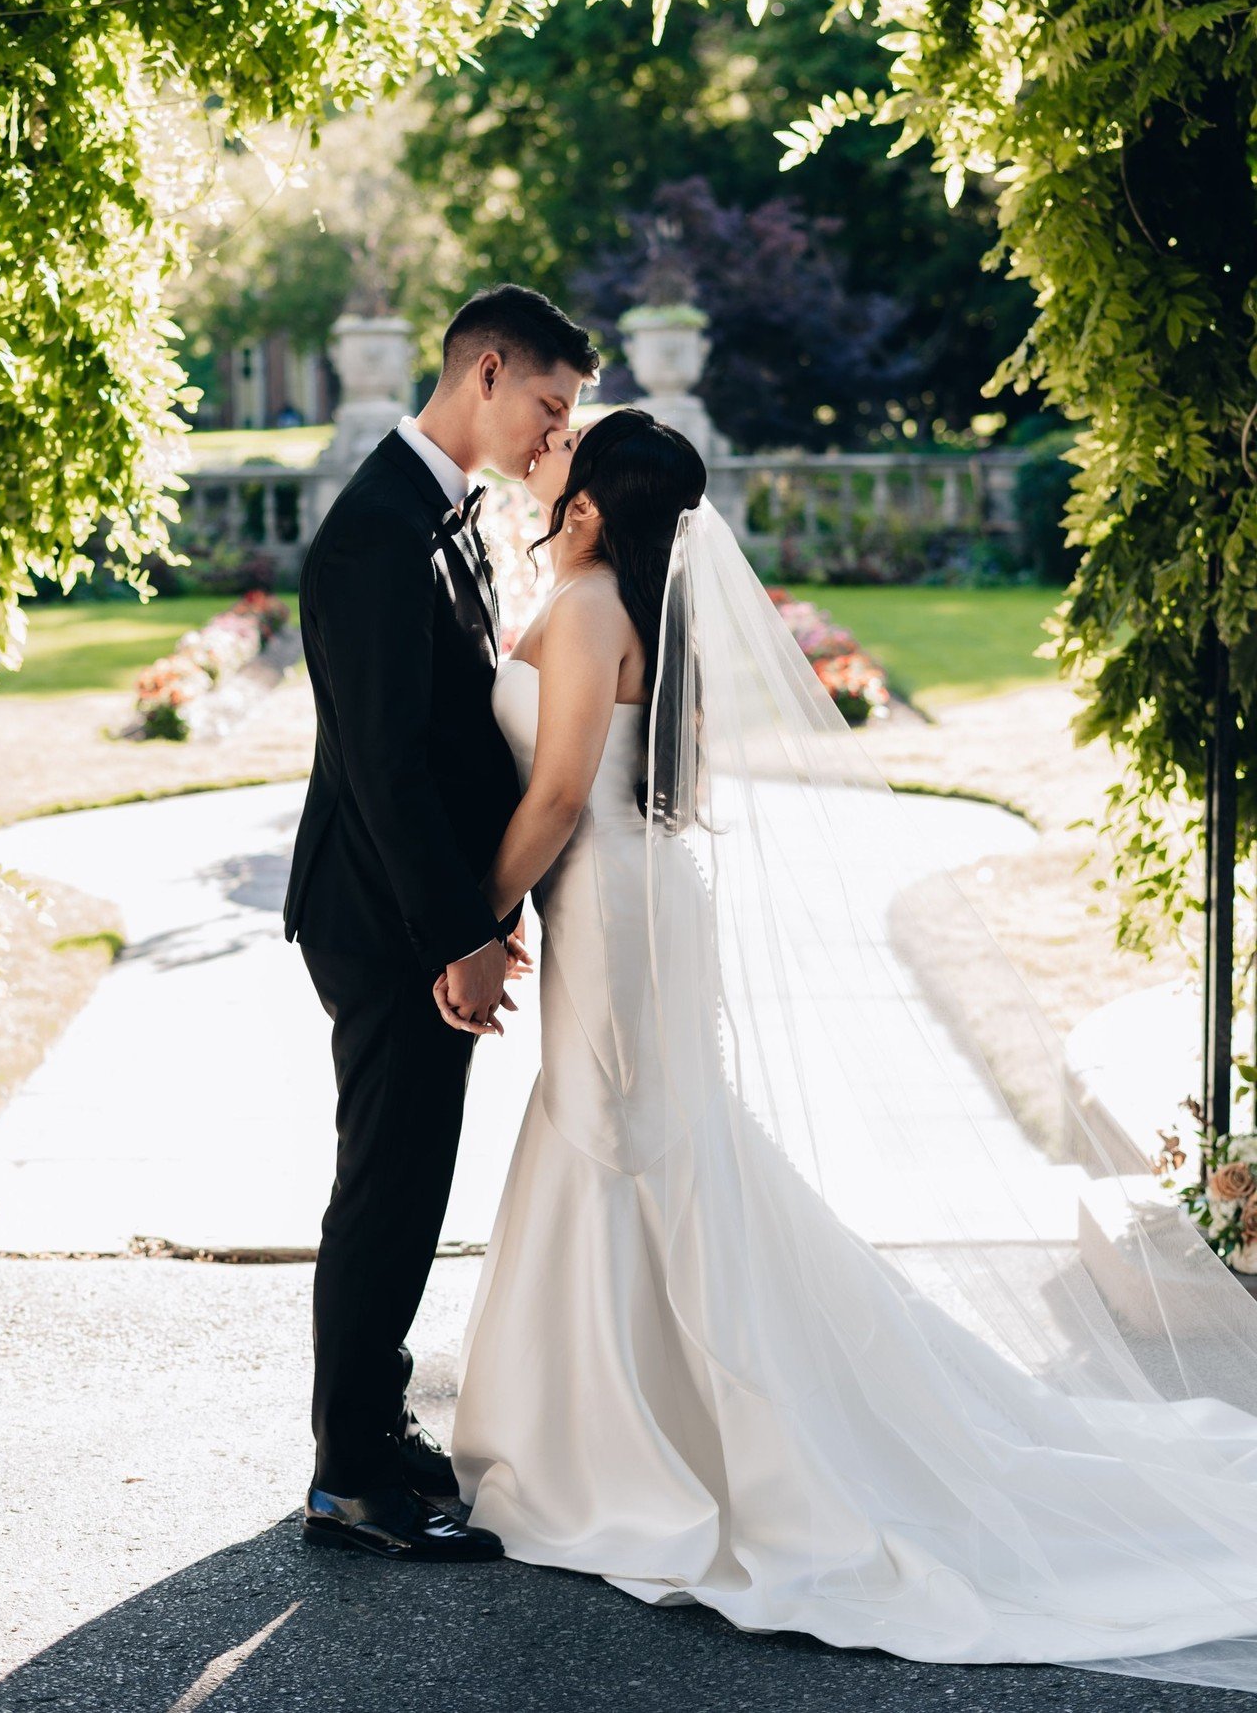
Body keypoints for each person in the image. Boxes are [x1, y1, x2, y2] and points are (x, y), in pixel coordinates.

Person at [439, 407, 1257, 1694]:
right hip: (620, 896)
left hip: (610, 903)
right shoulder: (618, 596)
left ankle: (637, 1445)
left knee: (622, 1136)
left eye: (569, 449)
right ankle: (613, 1416)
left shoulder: (592, 607)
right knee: (634, 1137)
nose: (550, 449)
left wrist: (473, 925)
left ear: (591, 504)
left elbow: (555, 795)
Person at [283, 284, 598, 1561]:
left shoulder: (448, 513)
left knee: (411, 1179)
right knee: (387, 1184)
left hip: (426, 904)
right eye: (549, 404)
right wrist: (459, 934)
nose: (555, 433)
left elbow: (456, 740)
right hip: (380, 916)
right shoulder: (376, 531)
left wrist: (486, 905)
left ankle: (373, 1422)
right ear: (487, 371)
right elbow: (387, 769)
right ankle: (351, 1477)